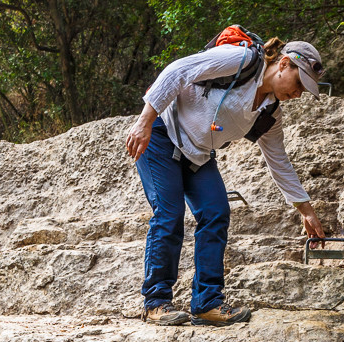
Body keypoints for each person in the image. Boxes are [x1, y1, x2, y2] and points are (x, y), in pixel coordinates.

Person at [125, 35, 327, 326]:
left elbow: (279, 161)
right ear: (284, 64)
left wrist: (306, 211)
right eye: (299, 84)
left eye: (304, 90)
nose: (298, 94)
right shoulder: (241, 60)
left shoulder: (270, 112)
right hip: (160, 133)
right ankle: (156, 302)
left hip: (198, 153)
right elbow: (177, 70)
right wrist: (144, 121)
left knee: (216, 212)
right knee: (169, 214)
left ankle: (206, 303)